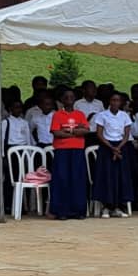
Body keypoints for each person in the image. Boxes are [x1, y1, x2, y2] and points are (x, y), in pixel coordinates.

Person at [49, 88, 90, 220]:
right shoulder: (57, 115)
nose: (69, 99)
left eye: (71, 97)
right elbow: (56, 133)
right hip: (62, 150)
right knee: (62, 179)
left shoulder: (80, 114)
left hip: (77, 150)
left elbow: (86, 130)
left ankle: (78, 211)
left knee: (77, 179)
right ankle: (62, 211)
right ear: (61, 100)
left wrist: (67, 131)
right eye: (66, 97)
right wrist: (75, 132)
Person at [93, 93, 135, 218]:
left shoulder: (124, 115)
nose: (115, 103)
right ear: (109, 101)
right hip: (106, 147)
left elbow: (126, 135)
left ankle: (118, 207)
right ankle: (106, 207)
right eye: (113, 100)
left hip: (121, 146)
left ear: (121, 102)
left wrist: (118, 148)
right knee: (107, 176)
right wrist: (112, 148)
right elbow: (99, 134)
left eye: (118, 100)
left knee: (120, 177)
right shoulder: (102, 115)